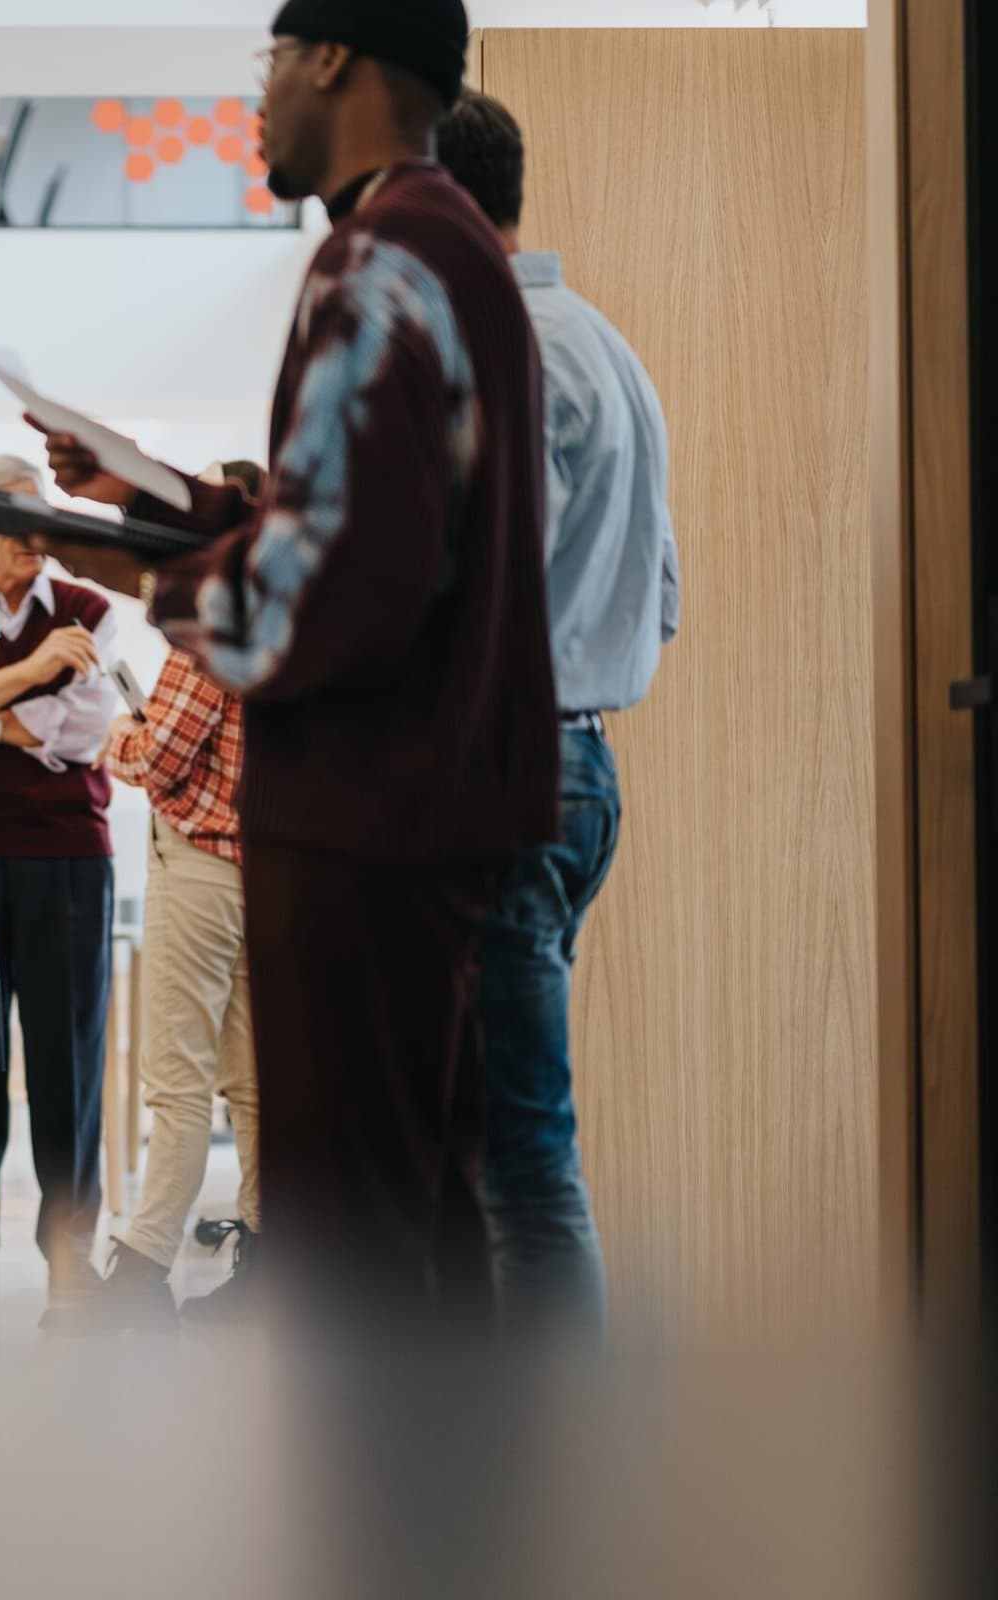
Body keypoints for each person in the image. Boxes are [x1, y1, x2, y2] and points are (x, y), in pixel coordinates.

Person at [29, 0, 557, 1329]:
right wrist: (156, 508)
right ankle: (451, 1520)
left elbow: (337, 594)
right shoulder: (441, 252)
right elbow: (359, 523)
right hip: (427, 809)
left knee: (356, 1241)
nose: (256, 98)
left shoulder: (379, 262)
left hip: (365, 816)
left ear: (334, 57)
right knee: (419, 1218)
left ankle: (386, 1525)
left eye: (268, 62)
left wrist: (154, 573)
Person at [438, 89, 680, 1335]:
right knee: (498, 1149)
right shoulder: (604, 342)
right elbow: (665, 595)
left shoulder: (505, 355)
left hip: (509, 783)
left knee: (525, 1165)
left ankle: (547, 1476)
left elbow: (481, 597)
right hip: (582, 774)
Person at [46, 461, 267, 1336]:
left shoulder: (207, 620)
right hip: (259, 869)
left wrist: (114, 738)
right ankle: (267, 1252)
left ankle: (140, 1268)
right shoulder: (286, 613)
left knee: (175, 1082)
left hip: (200, 870)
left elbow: (162, 757)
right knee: (253, 1086)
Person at [0, 454, 118, 1312]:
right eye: (20, 528)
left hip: (72, 859)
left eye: (47, 527)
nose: (38, 543)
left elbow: (79, 736)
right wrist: (35, 674)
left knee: (68, 1063)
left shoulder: (93, 612)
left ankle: (71, 1247)